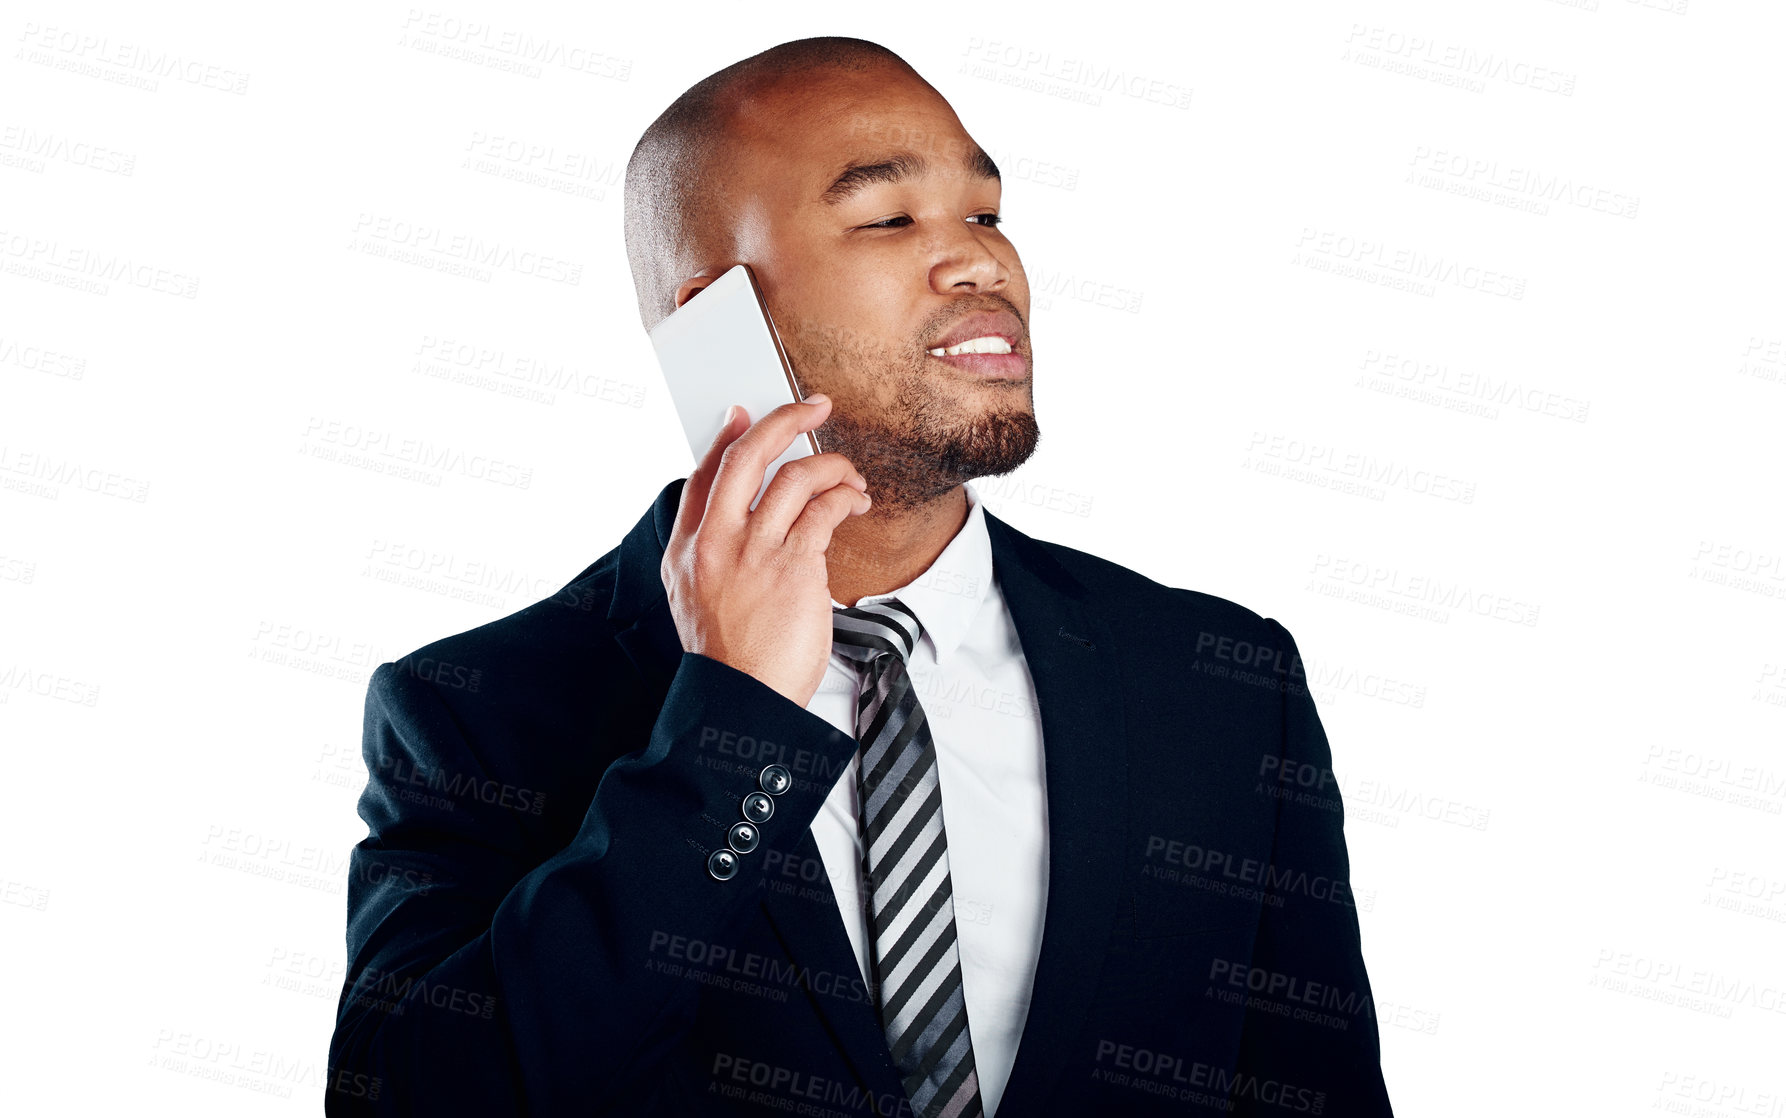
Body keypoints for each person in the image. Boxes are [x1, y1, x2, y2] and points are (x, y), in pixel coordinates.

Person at [327, 36, 1394, 1118]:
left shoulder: (1220, 681)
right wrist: (728, 720)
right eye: (888, 219)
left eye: (985, 214)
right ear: (714, 316)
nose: (982, 263)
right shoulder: (477, 710)